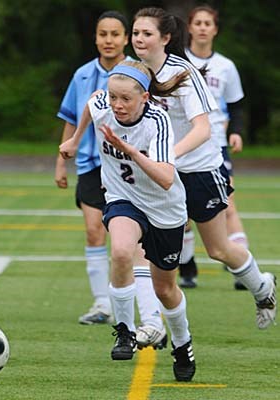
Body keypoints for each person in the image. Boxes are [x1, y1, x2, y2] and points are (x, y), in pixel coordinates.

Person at [130, 7, 276, 350]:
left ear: (165, 38)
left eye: (146, 33)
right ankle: (151, 323)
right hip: (161, 174)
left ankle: (262, 287)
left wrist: (168, 153)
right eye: (135, 32)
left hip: (199, 169)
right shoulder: (132, 71)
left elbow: (203, 128)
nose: (139, 39)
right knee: (139, 246)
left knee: (219, 249)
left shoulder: (183, 73)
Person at [60, 60, 196, 382]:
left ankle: (182, 343)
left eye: (126, 99)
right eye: (114, 97)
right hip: (124, 198)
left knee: (165, 289)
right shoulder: (102, 103)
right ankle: (124, 330)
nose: (117, 105)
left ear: (144, 99)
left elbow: (165, 178)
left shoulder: (157, 122)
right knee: (120, 251)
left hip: (164, 209)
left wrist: (131, 151)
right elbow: (92, 105)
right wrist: (76, 140)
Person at [55, 11, 130, 325]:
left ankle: (133, 299)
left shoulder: (136, 73)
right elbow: (72, 119)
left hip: (127, 166)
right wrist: (61, 161)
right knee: (93, 230)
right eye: (103, 34)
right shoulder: (83, 74)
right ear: (96, 38)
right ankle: (103, 304)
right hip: (89, 165)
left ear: (126, 38)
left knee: (126, 239)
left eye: (115, 34)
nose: (108, 40)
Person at [185, 4, 248, 290]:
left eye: (207, 23)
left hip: (215, 145)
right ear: (189, 27)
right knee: (180, 211)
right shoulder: (177, 62)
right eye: (197, 22)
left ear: (215, 29)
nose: (201, 27)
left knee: (228, 204)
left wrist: (235, 132)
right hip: (183, 145)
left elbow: (236, 106)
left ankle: (241, 267)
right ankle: (186, 268)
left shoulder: (226, 66)